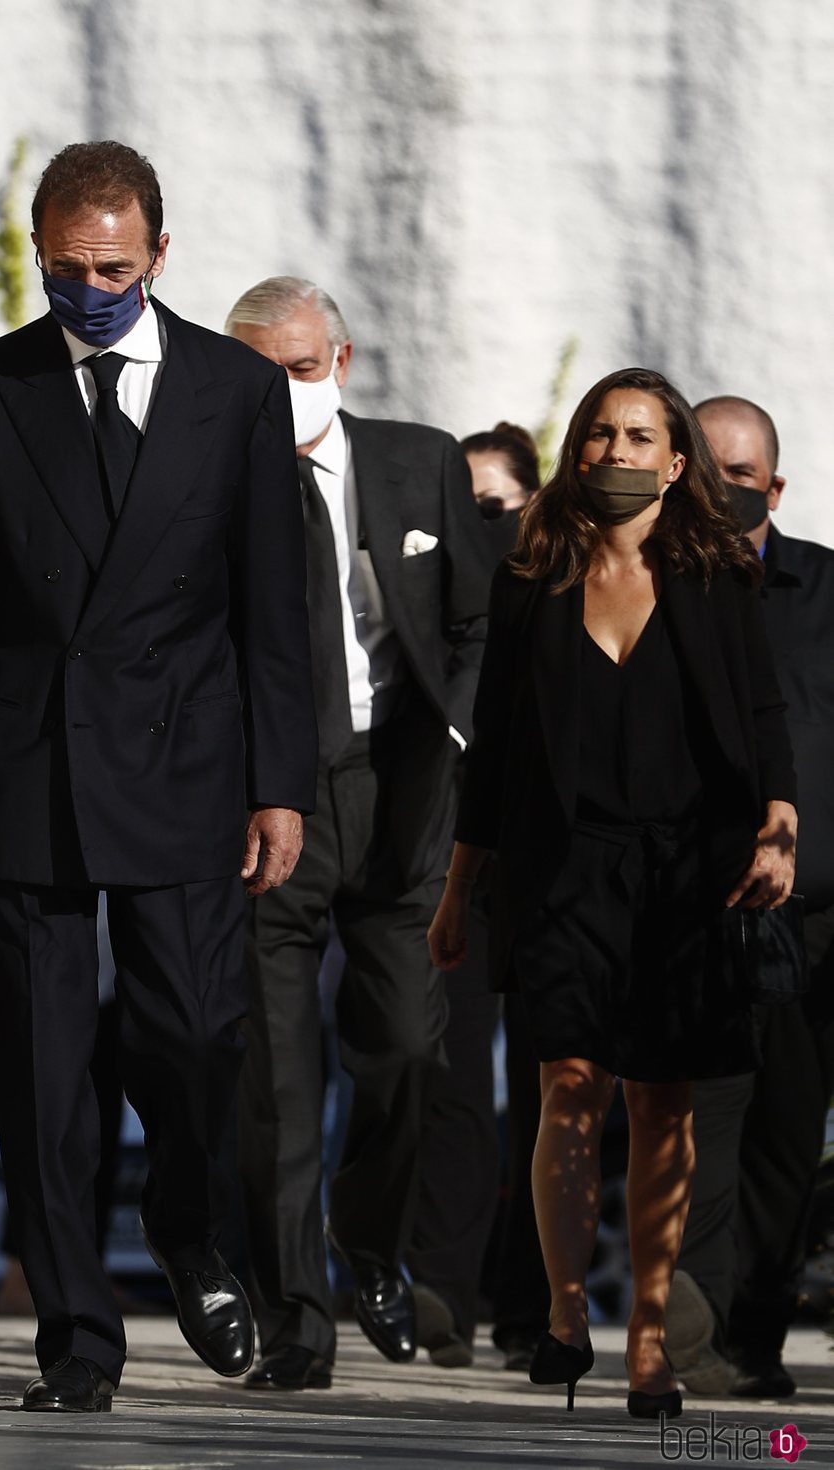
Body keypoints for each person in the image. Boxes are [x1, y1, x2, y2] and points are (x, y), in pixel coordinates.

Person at [0, 142, 317, 1412]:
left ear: (161, 256)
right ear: (40, 257)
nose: (91, 289)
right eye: (68, 270)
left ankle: (189, 1234)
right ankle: (77, 1338)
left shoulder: (236, 390)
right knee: (39, 1074)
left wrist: (277, 781)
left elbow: (269, 609)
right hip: (27, 772)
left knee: (194, 1040)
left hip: (186, 766)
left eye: (114, 269)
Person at [428, 367, 797, 1419]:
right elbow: (492, 751)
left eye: (639, 436)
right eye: (598, 433)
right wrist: (458, 894)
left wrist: (777, 829)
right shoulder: (528, 577)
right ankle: (559, 1310)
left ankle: (646, 1338)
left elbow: (763, 719)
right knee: (568, 1087)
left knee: (664, 1104)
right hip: (562, 869)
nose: (615, 451)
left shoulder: (718, 574)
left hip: (689, 873)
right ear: (577, 451)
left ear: (676, 463)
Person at [225, 276, 491, 1391]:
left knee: (399, 1047)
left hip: (399, 787)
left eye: (292, 370)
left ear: (340, 359)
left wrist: (469, 747)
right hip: (264, 802)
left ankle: (366, 1243)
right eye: (251, 377)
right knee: (276, 1079)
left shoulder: (415, 458)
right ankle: (296, 1321)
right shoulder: (202, 478)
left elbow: (473, 621)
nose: (274, 395)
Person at [665, 395, 834, 1400]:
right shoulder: (646, 591)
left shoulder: (823, 591)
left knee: (783, 1131)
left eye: (742, 477)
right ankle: (689, 1337)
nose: (723, 491)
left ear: (772, 488)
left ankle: (753, 1345)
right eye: (706, 472)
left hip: (811, 923)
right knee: (691, 1130)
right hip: (687, 913)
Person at [407, 423, 544, 1369]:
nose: (479, 528)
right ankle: (442, 1297)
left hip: (546, 861)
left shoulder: (569, 590)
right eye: (465, 512)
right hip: (450, 856)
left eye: (493, 508)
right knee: (450, 1079)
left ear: (531, 505)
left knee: (552, 1084)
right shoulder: (437, 602)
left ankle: (536, 1309)